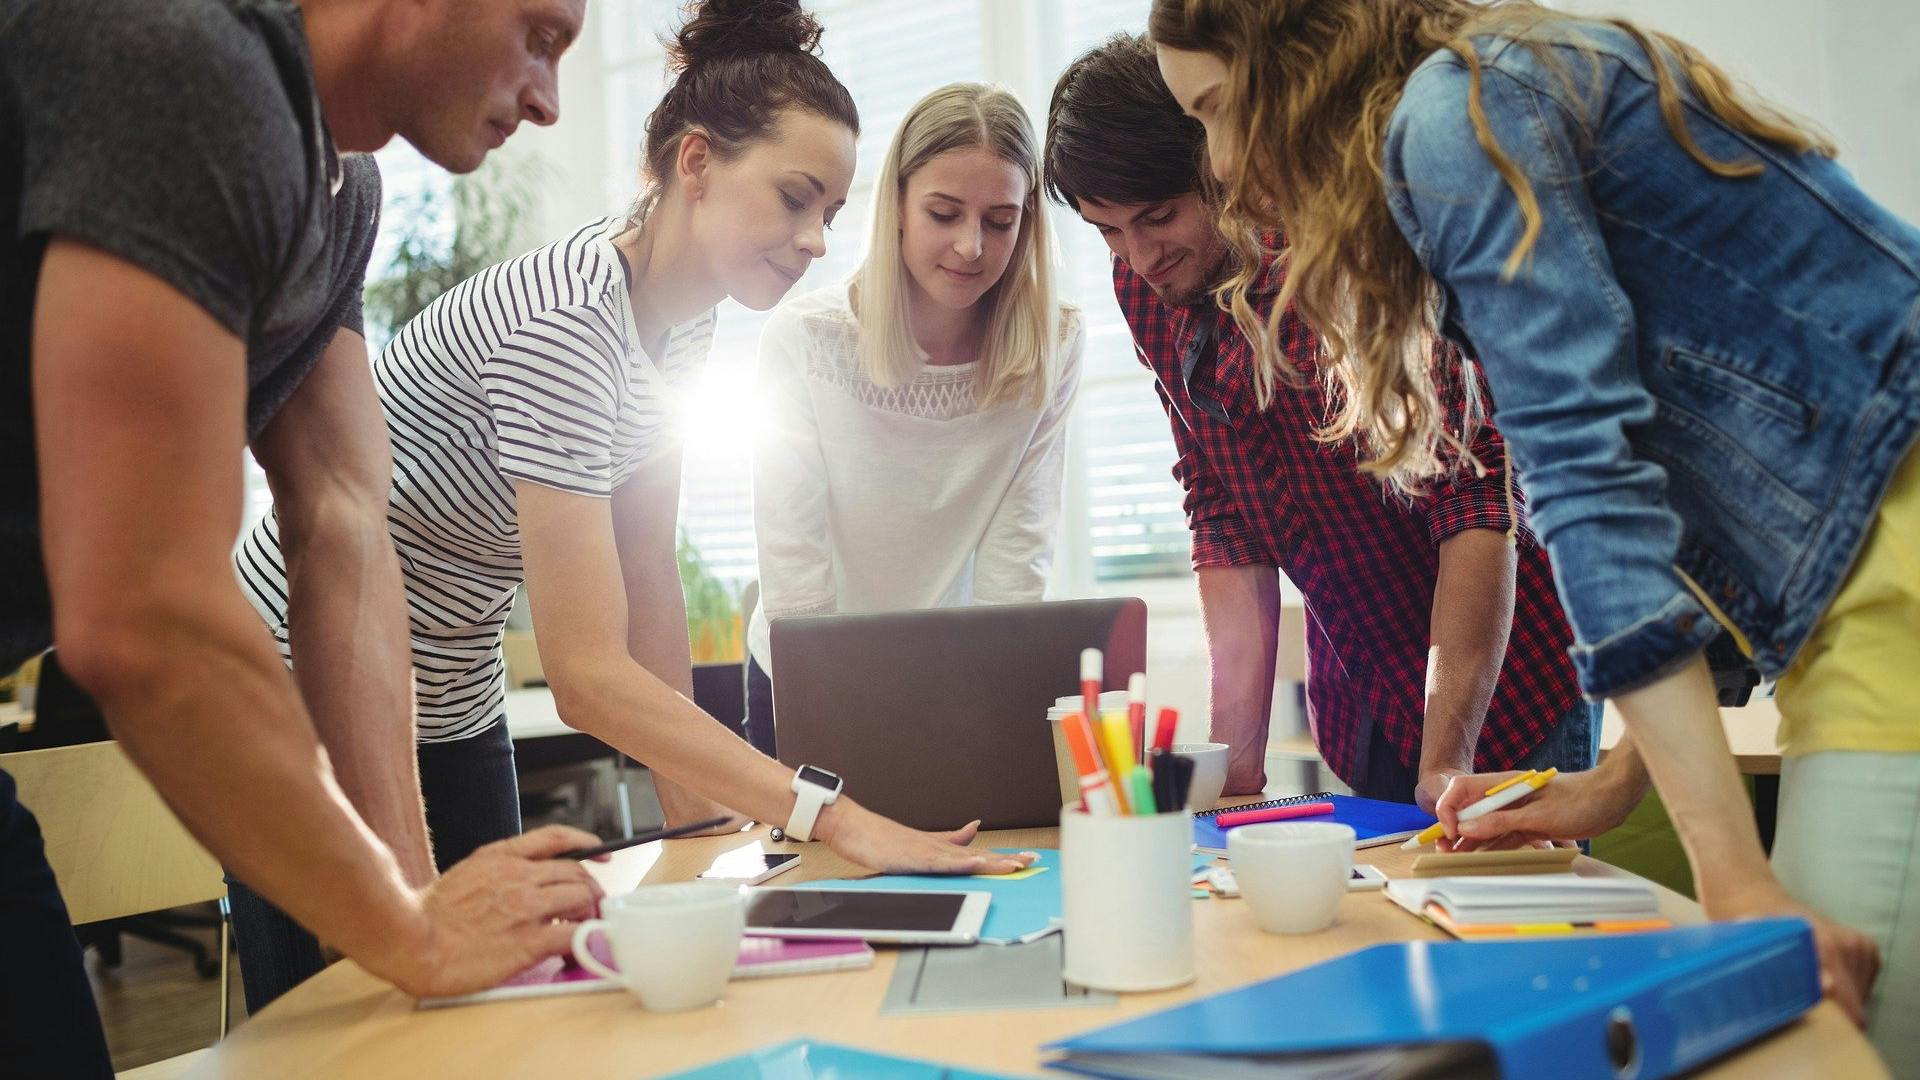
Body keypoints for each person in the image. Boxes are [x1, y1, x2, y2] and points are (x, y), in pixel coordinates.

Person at [231, 1, 1035, 1007]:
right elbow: (586, 675)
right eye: (794, 199)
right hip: (307, 670)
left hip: (452, 686)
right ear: (694, 164)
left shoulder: (681, 329)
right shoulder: (566, 321)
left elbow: (647, 580)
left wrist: (703, 832)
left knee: (486, 1006)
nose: (817, 240)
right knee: (349, 1024)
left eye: (830, 210)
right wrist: (825, 815)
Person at [1148, 0, 1916, 1053]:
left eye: (1219, 108)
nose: (1223, 162)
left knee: (1826, 1038)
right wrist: (1613, 784)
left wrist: (1734, 878)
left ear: (1298, 55)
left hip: (1898, 586)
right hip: (1864, 588)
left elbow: (1592, 488)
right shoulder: (1493, 82)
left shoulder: (1456, 117)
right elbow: (1701, 499)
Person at [2, 0, 608, 1072]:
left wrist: (415, 902)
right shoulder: (188, 61)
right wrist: (409, 932)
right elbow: (144, 615)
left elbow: (343, 522)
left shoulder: (339, 186)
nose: (550, 100)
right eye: (541, 36)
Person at [1042, 35, 1591, 808]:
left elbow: (1472, 501)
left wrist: (1447, 762)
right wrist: (1234, 765)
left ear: (1221, 163)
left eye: (1158, 217)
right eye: (1107, 231)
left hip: (1504, 686)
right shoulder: (1148, 284)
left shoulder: (1343, 253)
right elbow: (1221, 509)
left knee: (1515, 922)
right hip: (1363, 693)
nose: (1136, 257)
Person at [744, 83, 1084, 756]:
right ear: (897, 206)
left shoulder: (1054, 344)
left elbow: (1017, 562)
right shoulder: (806, 340)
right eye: (944, 213)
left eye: (999, 220)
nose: (970, 247)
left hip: (957, 675)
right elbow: (794, 568)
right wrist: (843, 712)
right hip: (806, 671)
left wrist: (981, 706)